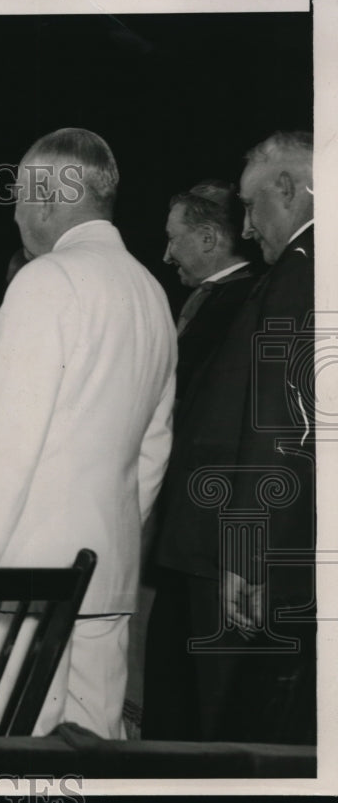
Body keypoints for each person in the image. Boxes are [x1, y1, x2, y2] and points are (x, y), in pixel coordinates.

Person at [0, 128, 177, 738]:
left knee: (4, 754)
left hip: (23, 582)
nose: (17, 215)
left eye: (20, 199)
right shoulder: (152, 292)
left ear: (47, 196)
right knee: (93, 753)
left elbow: (3, 446)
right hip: (105, 573)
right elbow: (153, 450)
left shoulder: (45, 280)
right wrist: (115, 535)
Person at [146, 131, 314, 744]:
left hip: (239, 541)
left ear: (290, 190)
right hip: (253, 537)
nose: (246, 226)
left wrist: (246, 550)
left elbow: (276, 424)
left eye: (251, 206)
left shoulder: (300, 271)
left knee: (232, 731)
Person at [162, 180, 258, 402]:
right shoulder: (246, 295)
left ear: (208, 238)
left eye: (172, 239)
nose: (166, 257)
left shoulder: (238, 304)